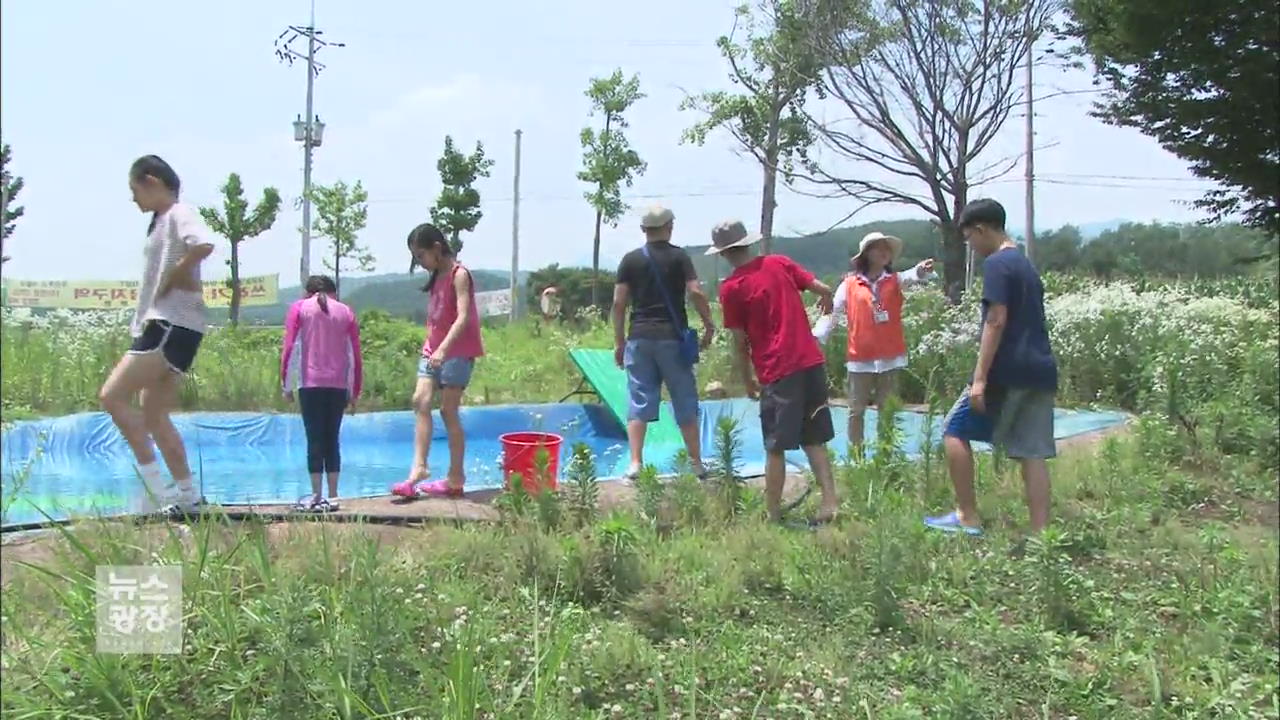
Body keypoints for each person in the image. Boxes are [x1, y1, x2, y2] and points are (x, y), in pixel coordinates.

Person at [925, 199, 1059, 536]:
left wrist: (980, 378)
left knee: (954, 430)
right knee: (1032, 453)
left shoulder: (998, 264)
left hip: (1007, 369)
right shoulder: (1025, 264)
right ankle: (1042, 534)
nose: (971, 246)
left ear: (982, 229)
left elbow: (996, 320)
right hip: (1041, 368)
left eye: (970, 238)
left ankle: (967, 515)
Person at [99, 155, 214, 518]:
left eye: (135, 190)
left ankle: (156, 491)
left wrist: (175, 275)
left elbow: (203, 244)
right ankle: (188, 496)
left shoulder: (179, 212)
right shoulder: (162, 221)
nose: (134, 200)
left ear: (151, 181)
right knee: (154, 414)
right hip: (181, 328)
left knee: (112, 397)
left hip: (167, 324)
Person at [711, 219, 840, 525]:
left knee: (776, 444)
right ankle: (830, 502)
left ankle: (772, 513)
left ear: (724, 254)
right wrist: (825, 297)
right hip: (810, 361)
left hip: (778, 369)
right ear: (749, 243)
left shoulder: (732, 288)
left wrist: (747, 380)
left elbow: (739, 342)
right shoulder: (779, 263)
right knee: (814, 438)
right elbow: (823, 288)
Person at [612, 205, 716, 480]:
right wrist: (708, 324)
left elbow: (619, 303)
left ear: (644, 230)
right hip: (672, 338)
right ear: (670, 226)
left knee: (639, 400)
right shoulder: (680, 257)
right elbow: (695, 292)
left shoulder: (630, 260)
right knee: (684, 398)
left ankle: (635, 463)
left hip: (639, 338)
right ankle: (696, 463)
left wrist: (619, 342)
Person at [813, 231, 935, 456]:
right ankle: (857, 455)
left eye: (886, 249)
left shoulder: (894, 281)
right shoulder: (849, 284)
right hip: (860, 358)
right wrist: (818, 337)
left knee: (886, 410)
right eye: (878, 248)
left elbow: (912, 275)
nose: (884, 253)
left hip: (890, 357)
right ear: (867, 254)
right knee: (856, 410)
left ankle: (885, 455)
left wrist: (921, 269)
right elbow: (833, 313)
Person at [391, 223, 484, 499]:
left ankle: (456, 478)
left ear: (436, 249)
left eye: (420, 256)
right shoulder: (435, 278)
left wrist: (443, 349)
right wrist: (434, 347)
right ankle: (418, 469)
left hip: (456, 351)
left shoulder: (459, 275)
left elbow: (463, 316)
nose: (419, 263)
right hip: (432, 350)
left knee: (447, 410)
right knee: (420, 401)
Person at [281, 275, 363, 513]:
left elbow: (291, 348)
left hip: (310, 384)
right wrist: (353, 390)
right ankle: (335, 495)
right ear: (333, 291)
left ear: (308, 292)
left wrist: (286, 385)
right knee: (332, 439)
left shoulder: (299, 308)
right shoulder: (346, 312)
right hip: (337, 386)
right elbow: (353, 355)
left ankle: (317, 496)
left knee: (314, 439)